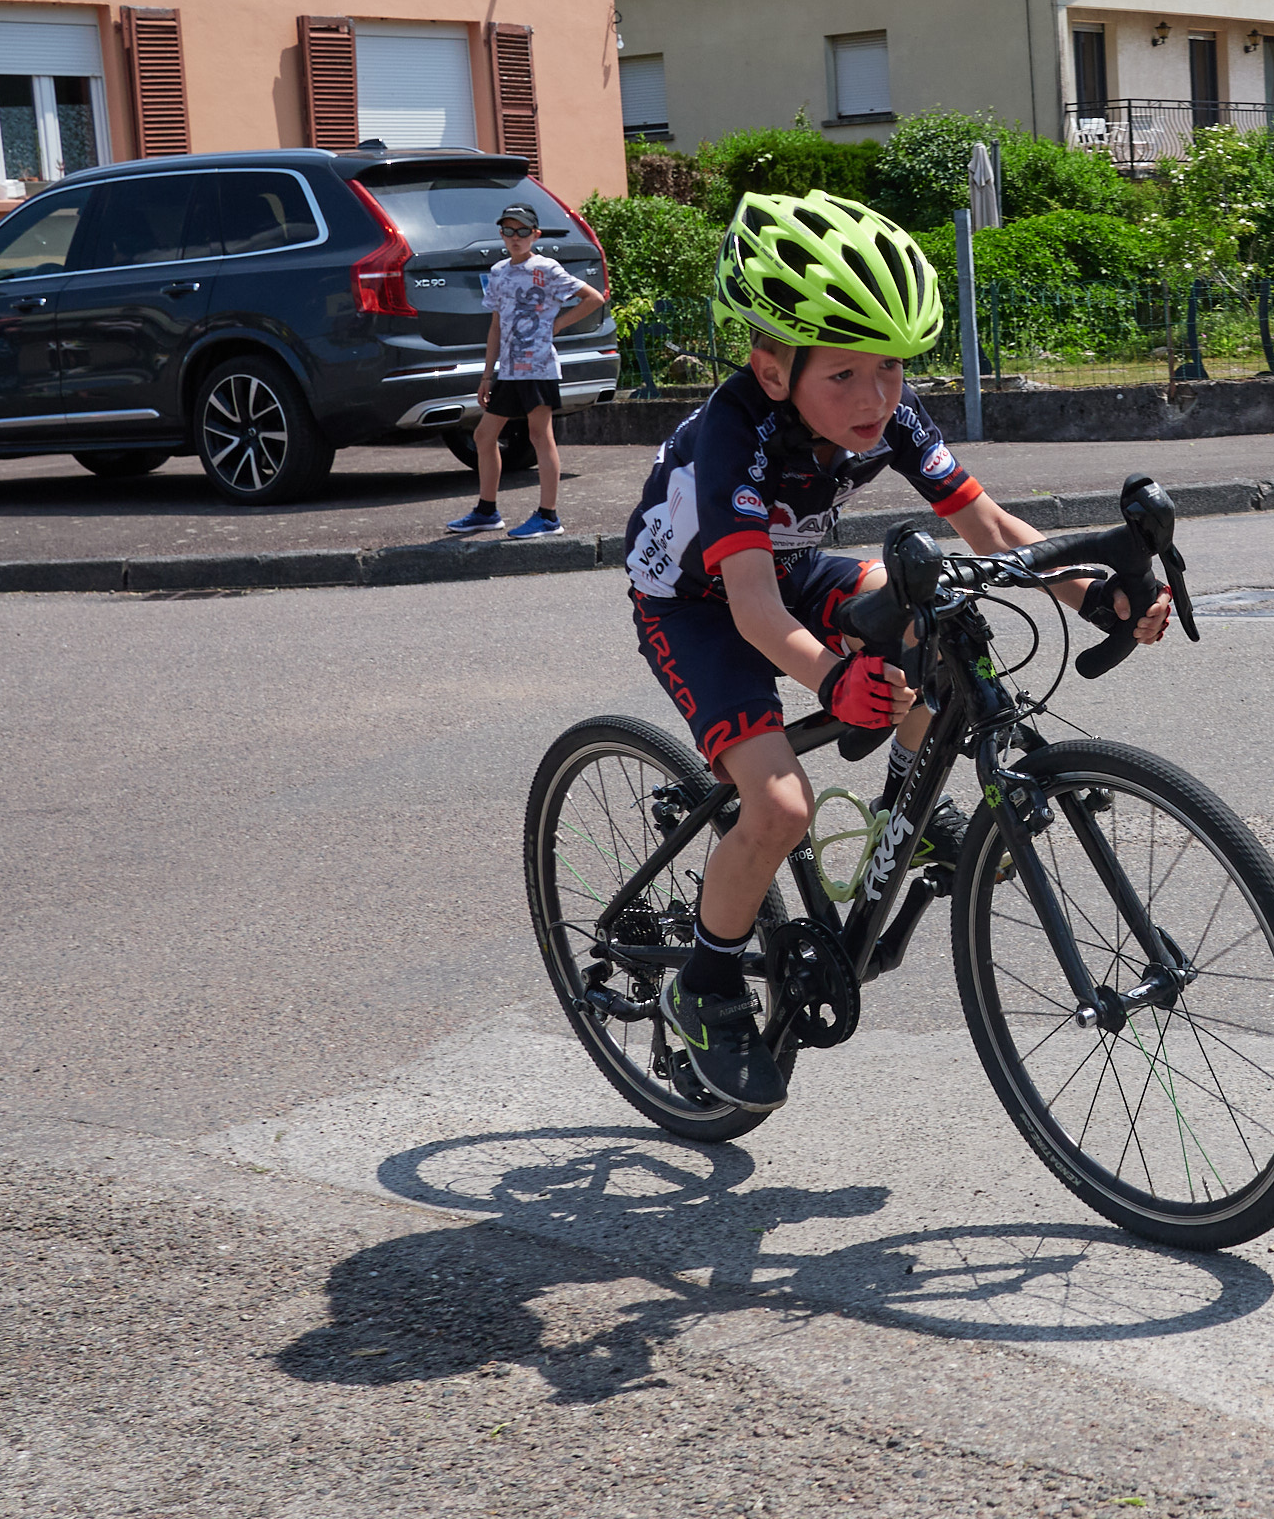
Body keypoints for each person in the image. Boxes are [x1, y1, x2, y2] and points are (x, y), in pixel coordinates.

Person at [621, 190, 1169, 1113]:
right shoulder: (732, 437)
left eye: (890, 367)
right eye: (843, 375)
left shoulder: (891, 414)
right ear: (770, 369)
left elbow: (991, 528)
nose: (875, 397)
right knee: (779, 805)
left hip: (789, 568)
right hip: (696, 605)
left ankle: (900, 819)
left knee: (935, 616)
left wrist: (1093, 596)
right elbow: (751, 609)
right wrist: (833, 677)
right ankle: (706, 985)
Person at [445, 202, 605, 539]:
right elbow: (495, 326)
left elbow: (594, 298)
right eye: (508, 230)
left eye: (522, 231)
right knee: (483, 436)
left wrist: (556, 325)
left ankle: (548, 516)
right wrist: (487, 375)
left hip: (539, 367)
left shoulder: (546, 268)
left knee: (539, 436)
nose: (514, 237)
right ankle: (487, 512)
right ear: (501, 234)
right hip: (509, 371)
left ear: (535, 234)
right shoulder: (499, 272)